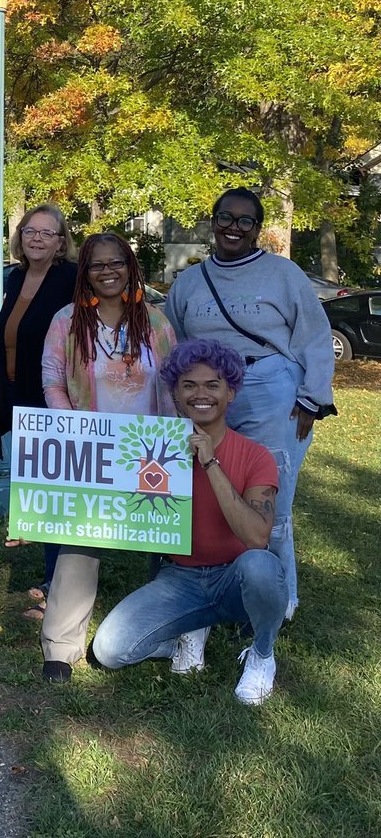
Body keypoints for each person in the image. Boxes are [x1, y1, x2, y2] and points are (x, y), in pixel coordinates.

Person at [164, 188, 335, 619]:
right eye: (226, 218)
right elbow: (173, 341)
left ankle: (279, 597)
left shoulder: (283, 274)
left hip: (268, 386)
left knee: (269, 499)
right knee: (206, 489)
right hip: (206, 394)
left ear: (258, 229)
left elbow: (314, 335)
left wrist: (313, 398)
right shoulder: (190, 281)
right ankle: (214, 590)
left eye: (245, 221)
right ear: (213, 221)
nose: (233, 228)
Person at [92, 339, 286, 705]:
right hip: (179, 577)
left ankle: (262, 654)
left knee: (261, 565)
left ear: (231, 392)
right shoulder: (151, 447)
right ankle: (190, 627)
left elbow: (257, 537)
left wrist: (211, 463)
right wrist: (42, 522)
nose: (201, 394)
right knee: (109, 650)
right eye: (189, 385)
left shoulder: (256, 455)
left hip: (235, 576)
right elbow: (105, 506)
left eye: (213, 385)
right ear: (176, 394)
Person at [37, 233, 176, 683]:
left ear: (130, 267)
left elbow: (174, 386)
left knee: (167, 542)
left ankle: (169, 635)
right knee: (80, 542)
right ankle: (61, 645)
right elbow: (54, 382)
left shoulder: (156, 323)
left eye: (116, 263)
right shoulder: (67, 321)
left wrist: (176, 440)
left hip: (150, 450)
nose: (108, 271)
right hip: (92, 449)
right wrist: (76, 432)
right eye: (97, 265)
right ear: (85, 273)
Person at [0, 204, 78, 616]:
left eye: (47, 232)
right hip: (17, 393)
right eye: (30, 230)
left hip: (53, 397)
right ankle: (51, 576)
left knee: (56, 490)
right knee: (40, 489)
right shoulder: (17, 276)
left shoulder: (70, 279)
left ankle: (61, 585)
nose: (37, 238)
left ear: (61, 242)